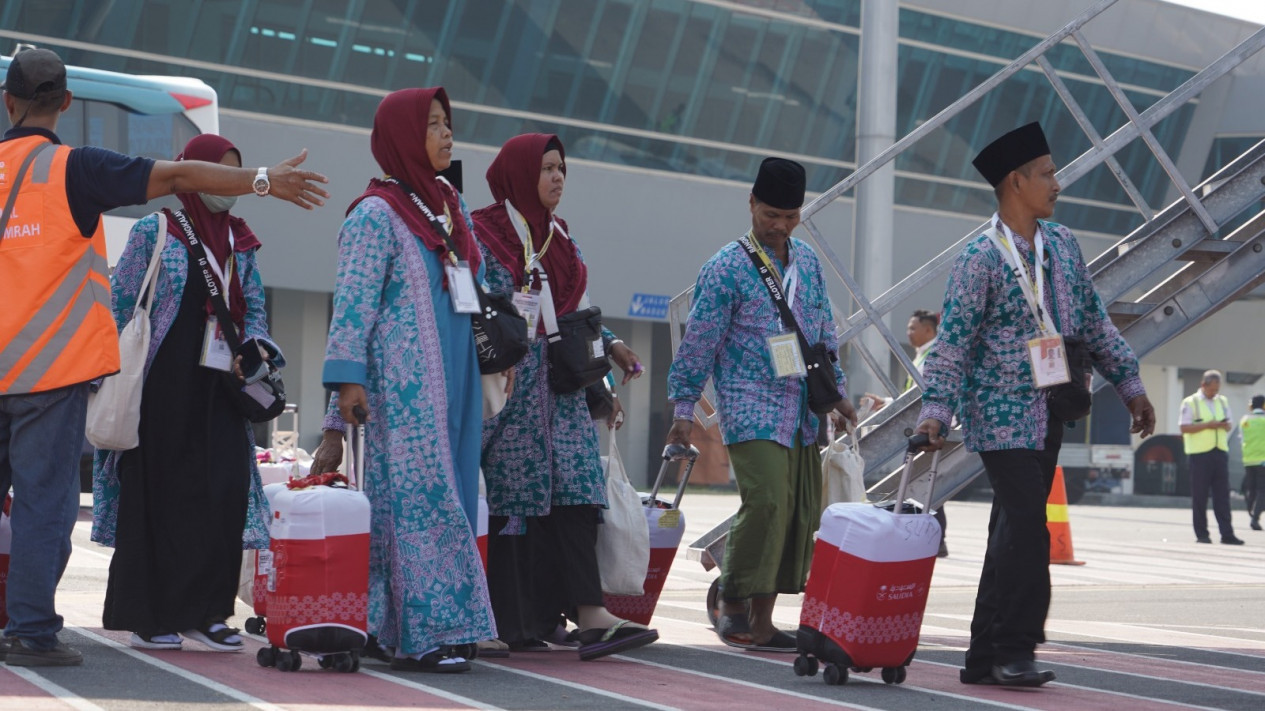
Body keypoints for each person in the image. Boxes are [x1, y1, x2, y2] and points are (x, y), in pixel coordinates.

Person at [0, 47, 327, 668]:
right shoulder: (75, 168)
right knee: (43, 505)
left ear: (7, 101)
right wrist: (263, 180)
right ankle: (29, 631)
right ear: (66, 102)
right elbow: (177, 177)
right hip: (47, 371)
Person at [913, 122, 1156, 688]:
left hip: (1052, 407)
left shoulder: (1063, 244)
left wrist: (1131, 385)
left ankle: (980, 655)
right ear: (1015, 182)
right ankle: (1015, 647)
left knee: (1010, 530)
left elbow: (1093, 320)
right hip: (999, 414)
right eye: (1047, 173)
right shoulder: (979, 258)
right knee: (1028, 527)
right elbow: (953, 344)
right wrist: (936, 412)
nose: (1057, 181)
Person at [308, 87, 495, 674]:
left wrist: (447, 212)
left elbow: (479, 276)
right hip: (402, 386)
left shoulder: (449, 208)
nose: (446, 134)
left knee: (456, 497)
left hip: (457, 374)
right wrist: (346, 387)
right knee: (419, 504)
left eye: (448, 123)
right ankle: (423, 634)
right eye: (432, 125)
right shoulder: (375, 214)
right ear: (402, 137)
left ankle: (436, 625)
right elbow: (353, 306)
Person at [92, 135, 282, 653]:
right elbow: (121, 302)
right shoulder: (157, 230)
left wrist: (259, 350)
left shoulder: (242, 242)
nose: (229, 187)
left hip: (222, 388)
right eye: (220, 173)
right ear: (192, 173)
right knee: (160, 495)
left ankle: (209, 612)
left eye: (236, 176)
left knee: (221, 494)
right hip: (160, 388)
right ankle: (149, 615)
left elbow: (257, 312)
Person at [471, 133, 658, 660]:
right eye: (546, 168)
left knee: (577, 491)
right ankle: (510, 619)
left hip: (561, 390)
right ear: (517, 173)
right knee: (513, 501)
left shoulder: (562, 237)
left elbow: (577, 311)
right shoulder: (480, 234)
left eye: (562, 169)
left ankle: (589, 612)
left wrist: (610, 355)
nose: (557, 178)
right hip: (508, 391)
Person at [666, 157, 857, 652]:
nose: (779, 226)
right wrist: (684, 411)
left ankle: (764, 619)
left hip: (800, 409)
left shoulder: (809, 263)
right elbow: (699, 343)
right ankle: (731, 600)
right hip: (749, 404)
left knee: (796, 512)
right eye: (771, 214)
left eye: (790, 217)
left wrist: (836, 394)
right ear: (751, 203)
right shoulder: (726, 267)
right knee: (767, 499)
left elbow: (823, 334)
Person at [1179, 370, 1244, 545]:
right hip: (1199, 455)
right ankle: (1202, 534)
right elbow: (1184, 428)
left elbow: (1229, 424)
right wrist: (1208, 425)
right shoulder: (1190, 402)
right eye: (1211, 390)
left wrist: (1222, 425)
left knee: (1222, 496)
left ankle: (1227, 534)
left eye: (1217, 389)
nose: (1214, 393)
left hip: (1219, 453)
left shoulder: (1222, 401)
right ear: (1203, 385)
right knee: (1200, 496)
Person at [1240, 394, 1265, 531]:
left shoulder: (1244, 420)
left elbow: (1241, 438)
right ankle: (1255, 518)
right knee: (1262, 490)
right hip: (1263, 461)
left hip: (1248, 460)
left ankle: (1251, 511)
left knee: (1252, 489)